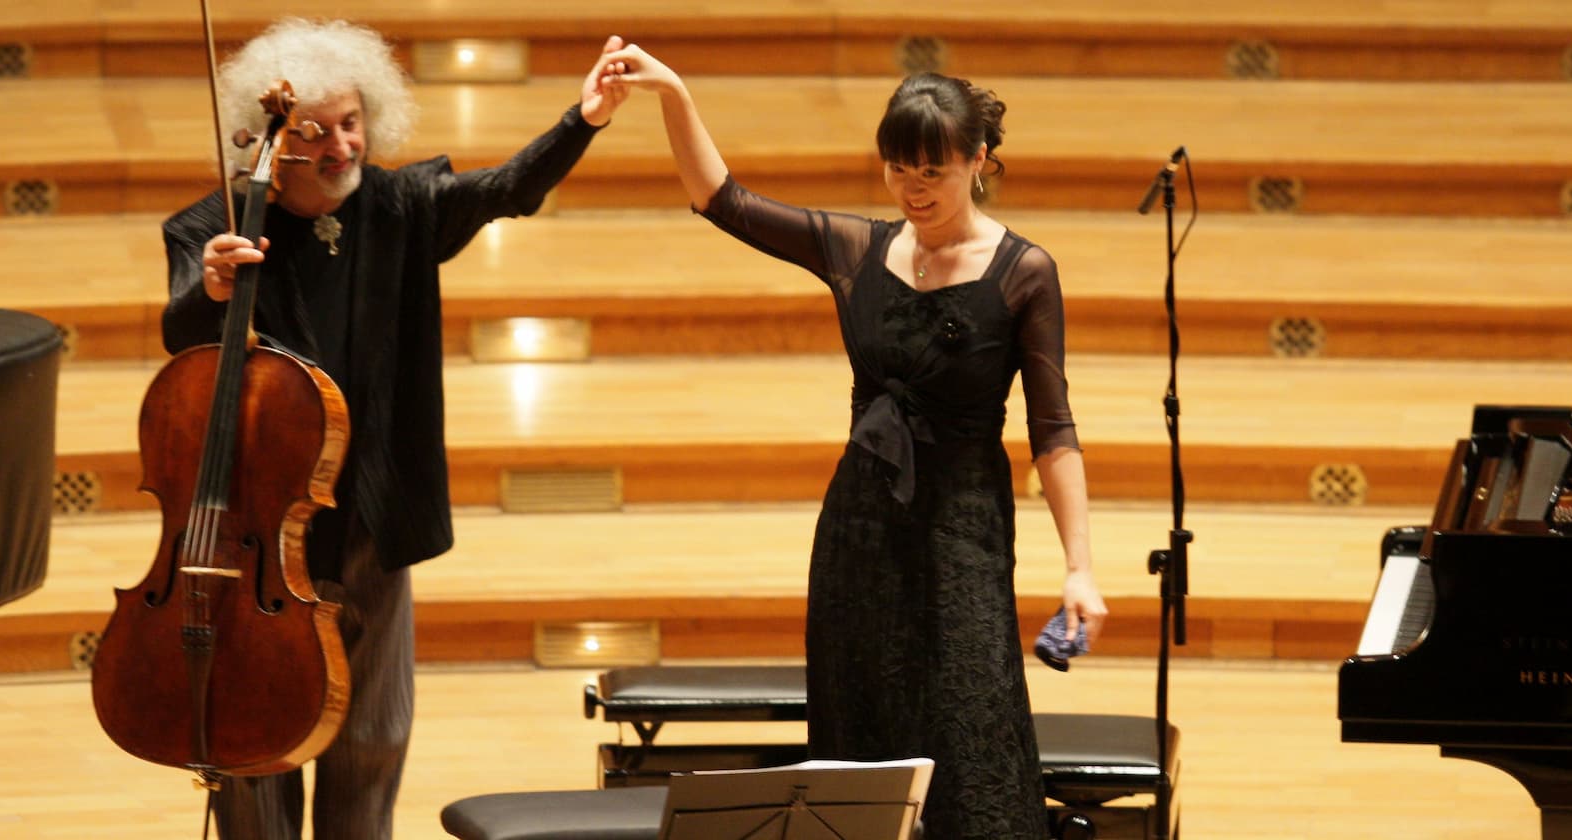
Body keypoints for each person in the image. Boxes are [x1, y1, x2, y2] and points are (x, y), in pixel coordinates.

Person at [599, 46, 1108, 839]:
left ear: (979, 161)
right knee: (861, 747)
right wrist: (673, 91)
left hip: (964, 540)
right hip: (859, 536)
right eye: (898, 169)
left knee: (971, 745)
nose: (913, 189)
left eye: (931, 172)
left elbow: (1054, 428)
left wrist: (1080, 566)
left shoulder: (1023, 273)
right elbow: (720, 199)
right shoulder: (858, 250)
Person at [159, 18, 627, 840]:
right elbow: (180, 333)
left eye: (352, 123)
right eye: (316, 130)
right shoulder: (213, 227)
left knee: (372, 737)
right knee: (252, 741)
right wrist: (213, 292)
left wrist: (580, 120)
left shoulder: (403, 207)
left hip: (373, 514)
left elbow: (508, 188)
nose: (341, 145)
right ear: (272, 138)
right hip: (252, 537)